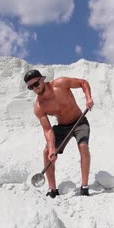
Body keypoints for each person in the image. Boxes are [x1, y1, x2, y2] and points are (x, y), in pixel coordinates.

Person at [24, 69, 94, 198]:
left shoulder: (61, 83)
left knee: (83, 146)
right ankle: (53, 189)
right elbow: (48, 130)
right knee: (46, 152)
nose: (35, 88)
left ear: (42, 79)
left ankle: (84, 186)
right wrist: (52, 149)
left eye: (36, 84)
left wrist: (88, 98)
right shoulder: (40, 106)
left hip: (79, 121)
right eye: (31, 87)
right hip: (62, 127)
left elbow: (83, 83)